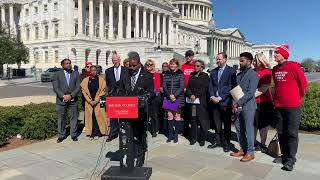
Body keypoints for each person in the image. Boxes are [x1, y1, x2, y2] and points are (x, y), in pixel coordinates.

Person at [272, 44, 307, 171]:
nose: (274, 54)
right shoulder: (274, 69)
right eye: (274, 52)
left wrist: (298, 97)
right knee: (281, 132)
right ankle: (284, 155)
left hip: (293, 106)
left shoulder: (293, 66)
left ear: (284, 55)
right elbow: (276, 86)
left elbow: (303, 83)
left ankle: (291, 159)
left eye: (277, 53)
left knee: (292, 133)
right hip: (279, 106)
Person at [119, 51, 154, 167]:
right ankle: (129, 156)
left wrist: (145, 97)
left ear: (139, 64)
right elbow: (120, 88)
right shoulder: (124, 73)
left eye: (134, 66)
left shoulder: (147, 75)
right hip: (127, 110)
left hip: (141, 111)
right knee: (128, 135)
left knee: (139, 135)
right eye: (130, 65)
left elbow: (151, 91)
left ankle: (140, 157)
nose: (132, 68)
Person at [230, 52, 259, 162]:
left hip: (248, 106)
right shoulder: (239, 74)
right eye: (240, 60)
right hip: (237, 106)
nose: (240, 62)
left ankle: (250, 152)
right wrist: (234, 103)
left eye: (242, 61)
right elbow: (235, 90)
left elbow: (250, 93)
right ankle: (243, 149)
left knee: (248, 129)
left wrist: (238, 103)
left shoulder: (253, 75)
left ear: (249, 61)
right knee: (239, 129)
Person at [207, 52, 237, 152]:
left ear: (225, 59)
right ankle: (217, 140)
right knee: (216, 123)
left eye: (219, 59)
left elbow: (230, 86)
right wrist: (212, 96)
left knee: (227, 124)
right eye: (217, 59)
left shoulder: (231, 71)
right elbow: (210, 85)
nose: (217, 61)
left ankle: (227, 143)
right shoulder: (214, 71)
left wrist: (220, 97)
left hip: (225, 102)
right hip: (214, 102)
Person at [52, 59, 81, 143]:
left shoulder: (75, 73)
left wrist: (71, 95)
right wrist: (63, 96)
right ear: (62, 65)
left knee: (74, 117)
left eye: (69, 63)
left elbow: (78, 87)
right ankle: (61, 135)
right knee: (61, 118)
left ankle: (74, 134)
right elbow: (56, 87)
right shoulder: (57, 74)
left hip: (73, 99)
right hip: (61, 100)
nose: (69, 65)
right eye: (66, 63)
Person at [105, 53, 129, 142]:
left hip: (123, 96)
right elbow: (108, 83)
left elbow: (128, 83)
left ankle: (124, 133)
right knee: (113, 117)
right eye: (113, 60)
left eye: (116, 60)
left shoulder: (126, 70)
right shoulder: (108, 71)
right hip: (113, 96)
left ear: (119, 60)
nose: (115, 62)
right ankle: (113, 134)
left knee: (123, 116)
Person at [185, 60, 210, 146]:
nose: (196, 67)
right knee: (193, 120)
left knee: (202, 120)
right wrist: (190, 94)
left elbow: (204, 88)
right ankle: (193, 138)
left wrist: (195, 95)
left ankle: (202, 139)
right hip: (193, 103)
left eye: (198, 66)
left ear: (202, 67)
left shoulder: (205, 76)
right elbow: (188, 87)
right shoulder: (191, 75)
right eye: (195, 66)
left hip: (201, 103)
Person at [252, 53, 273, 152]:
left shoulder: (267, 71)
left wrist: (249, 96)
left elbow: (263, 88)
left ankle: (263, 144)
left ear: (261, 61)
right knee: (253, 124)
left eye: (256, 60)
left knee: (263, 125)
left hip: (264, 102)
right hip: (253, 102)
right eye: (254, 60)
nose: (254, 62)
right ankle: (253, 143)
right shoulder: (252, 71)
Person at [80, 66, 108, 140]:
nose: (93, 72)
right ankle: (91, 133)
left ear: (97, 71)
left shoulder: (101, 80)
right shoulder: (85, 80)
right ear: (90, 71)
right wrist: (89, 101)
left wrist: (96, 100)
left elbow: (102, 91)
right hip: (89, 101)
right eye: (92, 70)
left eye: (95, 70)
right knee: (91, 116)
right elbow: (84, 91)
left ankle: (99, 132)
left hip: (99, 100)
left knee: (100, 116)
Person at [162, 58, 185, 143]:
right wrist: (169, 95)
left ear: (177, 65)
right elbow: (164, 86)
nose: (172, 65)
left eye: (174, 64)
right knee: (169, 116)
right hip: (168, 97)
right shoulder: (166, 74)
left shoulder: (180, 74)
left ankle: (176, 136)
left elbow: (181, 86)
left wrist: (174, 95)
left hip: (177, 97)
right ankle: (170, 135)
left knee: (177, 116)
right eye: (171, 64)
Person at [144, 59, 161, 137]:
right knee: (145, 114)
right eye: (147, 65)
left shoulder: (156, 74)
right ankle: (144, 129)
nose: (149, 66)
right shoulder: (143, 74)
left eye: (151, 65)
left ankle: (155, 130)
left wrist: (151, 95)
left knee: (154, 114)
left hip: (154, 97)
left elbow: (157, 87)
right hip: (146, 97)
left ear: (153, 66)